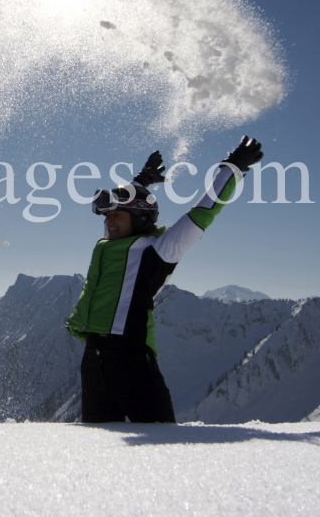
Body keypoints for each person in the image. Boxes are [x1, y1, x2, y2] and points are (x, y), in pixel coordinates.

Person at [65, 136, 263, 424]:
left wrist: (231, 167)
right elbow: (128, 212)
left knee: (165, 446)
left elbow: (203, 212)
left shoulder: (157, 250)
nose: (108, 221)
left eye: (117, 215)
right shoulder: (107, 246)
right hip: (92, 363)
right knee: (100, 451)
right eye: (106, 216)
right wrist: (140, 181)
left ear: (140, 218)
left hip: (131, 362)